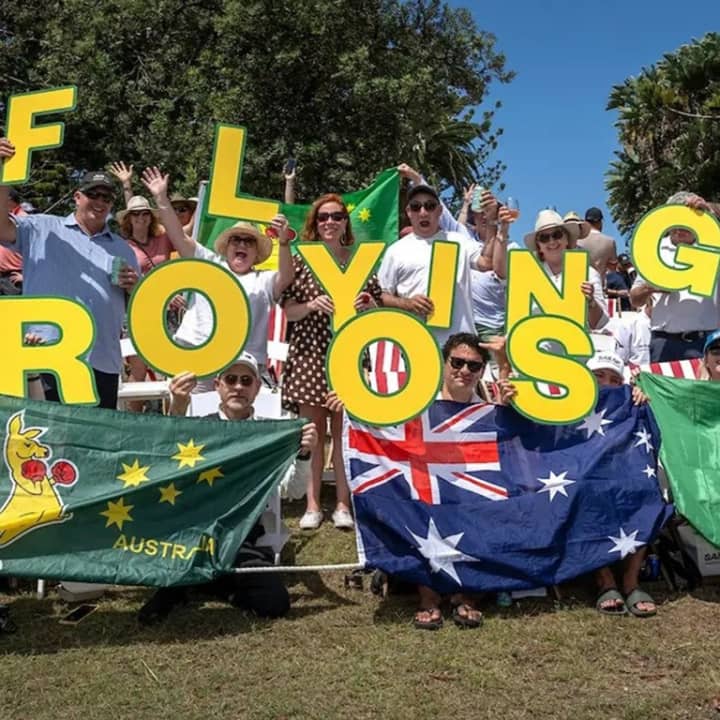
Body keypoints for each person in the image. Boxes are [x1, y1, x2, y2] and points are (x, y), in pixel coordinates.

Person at [137, 352, 318, 624]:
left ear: (257, 388)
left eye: (246, 381)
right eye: (231, 379)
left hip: (244, 539)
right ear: (218, 386)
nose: (238, 387)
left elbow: (292, 491)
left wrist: (304, 455)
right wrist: (177, 408)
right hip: (195, 536)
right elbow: (166, 460)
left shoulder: (270, 434)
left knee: (275, 603)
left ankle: (209, 584)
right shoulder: (200, 428)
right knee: (161, 586)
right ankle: (197, 582)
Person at [0, 137, 140, 409]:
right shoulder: (41, 228)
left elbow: (137, 308)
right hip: (47, 356)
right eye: (93, 194)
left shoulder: (123, 249)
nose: (100, 202)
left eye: (106, 197)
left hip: (102, 362)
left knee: (96, 437)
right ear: (77, 197)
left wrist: (134, 287)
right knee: (45, 435)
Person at [281, 193, 380, 531]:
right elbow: (288, 311)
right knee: (313, 433)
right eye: (323, 217)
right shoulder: (301, 261)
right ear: (315, 222)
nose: (330, 222)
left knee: (344, 434)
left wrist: (369, 305)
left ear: (345, 223)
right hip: (309, 353)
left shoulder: (360, 262)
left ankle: (342, 503)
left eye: (337, 216)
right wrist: (310, 306)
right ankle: (312, 505)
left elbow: (376, 308)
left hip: (349, 354)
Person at [141, 166, 293, 384]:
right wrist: (161, 199)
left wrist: (284, 242)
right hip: (195, 357)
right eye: (236, 240)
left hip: (242, 367)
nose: (242, 244)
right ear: (227, 247)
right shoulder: (209, 263)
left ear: (256, 253)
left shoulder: (264, 279)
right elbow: (178, 236)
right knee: (187, 406)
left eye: (249, 241)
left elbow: (286, 276)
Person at [413, 333, 492, 630]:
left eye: (474, 365)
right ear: (444, 363)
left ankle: (467, 596)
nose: (464, 371)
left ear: (482, 371)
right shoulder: (417, 403)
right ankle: (428, 598)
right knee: (413, 510)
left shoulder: (490, 412)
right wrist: (349, 409)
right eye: (457, 362)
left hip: (471, 495)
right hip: (427, 489)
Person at [583, 351, 656, 617]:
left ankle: (630, 581)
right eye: (599, 376)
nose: (606, 384)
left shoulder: (631, 403)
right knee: (584, 491)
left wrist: (639, 397)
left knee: (646, 491)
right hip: (583, 477)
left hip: (623, 473)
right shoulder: (566, 404)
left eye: (615, 380)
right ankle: (605, 581)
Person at [379, 183, 481, 348]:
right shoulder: (395, 250)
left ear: (439, 211)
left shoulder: (459, 241)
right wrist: (407, 303)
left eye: (430, 206)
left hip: (460, 347)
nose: (423, 212)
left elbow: (487, 263)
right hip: (416, 344)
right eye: (416, 207)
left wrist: (495, 224)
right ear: (409, 212)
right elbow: (382, 295)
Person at [630, 191, 720, 363]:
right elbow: (634, 300)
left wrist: (710, 211)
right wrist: (651, 287)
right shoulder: (655, 250)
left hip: (706, 341)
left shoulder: (713, 247)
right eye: (675, 219)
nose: (680, 227)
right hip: (663, 342)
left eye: (686, 219)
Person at [495, 209, 608, 335]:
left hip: (574, 344)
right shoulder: (527, 272)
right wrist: (502, 233)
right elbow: (501, 273)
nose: (552, 241)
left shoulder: (588, 273)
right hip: (534, 343)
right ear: (539, 246)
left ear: (567, 239)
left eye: (557, 235)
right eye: (544, 238)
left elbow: (600, 323)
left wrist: (591, 302)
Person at [577, 207, 618, 279]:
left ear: (585, 222)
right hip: (599, 283)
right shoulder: (610, 241)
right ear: (600, 222)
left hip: (579, 283)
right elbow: (612, 268)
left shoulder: (577, 240)